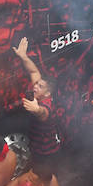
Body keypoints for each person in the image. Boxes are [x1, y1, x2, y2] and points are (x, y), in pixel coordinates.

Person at [12, 37, 62, 169]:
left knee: (43, 176)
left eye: (40, 86)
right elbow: (33, 71)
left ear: (47, 93)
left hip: (46, 152)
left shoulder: (46, 106)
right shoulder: (41, 91)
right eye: (37, 84)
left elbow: (43, 112)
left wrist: (35, 109)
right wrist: (23, 56)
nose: (35, 87)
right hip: (37, 143)